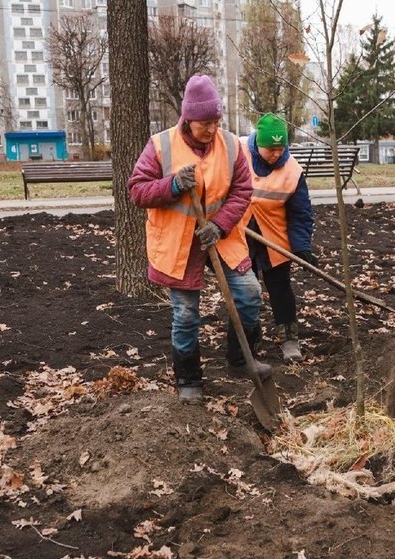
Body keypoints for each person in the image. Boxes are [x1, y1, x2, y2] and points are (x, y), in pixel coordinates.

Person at [128, 75, 271, 403]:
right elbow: (137, 190)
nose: (211, 129)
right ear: (188, 119)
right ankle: (188, 377)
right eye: (205, 123)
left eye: (216, 121)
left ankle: (239, 359)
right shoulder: (160, 145)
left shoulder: (231, 144)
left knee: (249, 294)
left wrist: (219, 225)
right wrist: (173, 185)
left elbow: (242, 190)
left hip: (221, 235)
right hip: (179, 242)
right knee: (187, 313)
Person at [241, 113, 317, 363]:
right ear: (257, 144)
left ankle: (289, 338)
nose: (276, 154)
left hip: (275, 237)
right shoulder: (237, 153)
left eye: (280, 148)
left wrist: (301, 246)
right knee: (243, 290)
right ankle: (248, 339)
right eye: (270, 149)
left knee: (280, 287)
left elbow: (300, 213)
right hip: (239, 235)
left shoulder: (293, 171)